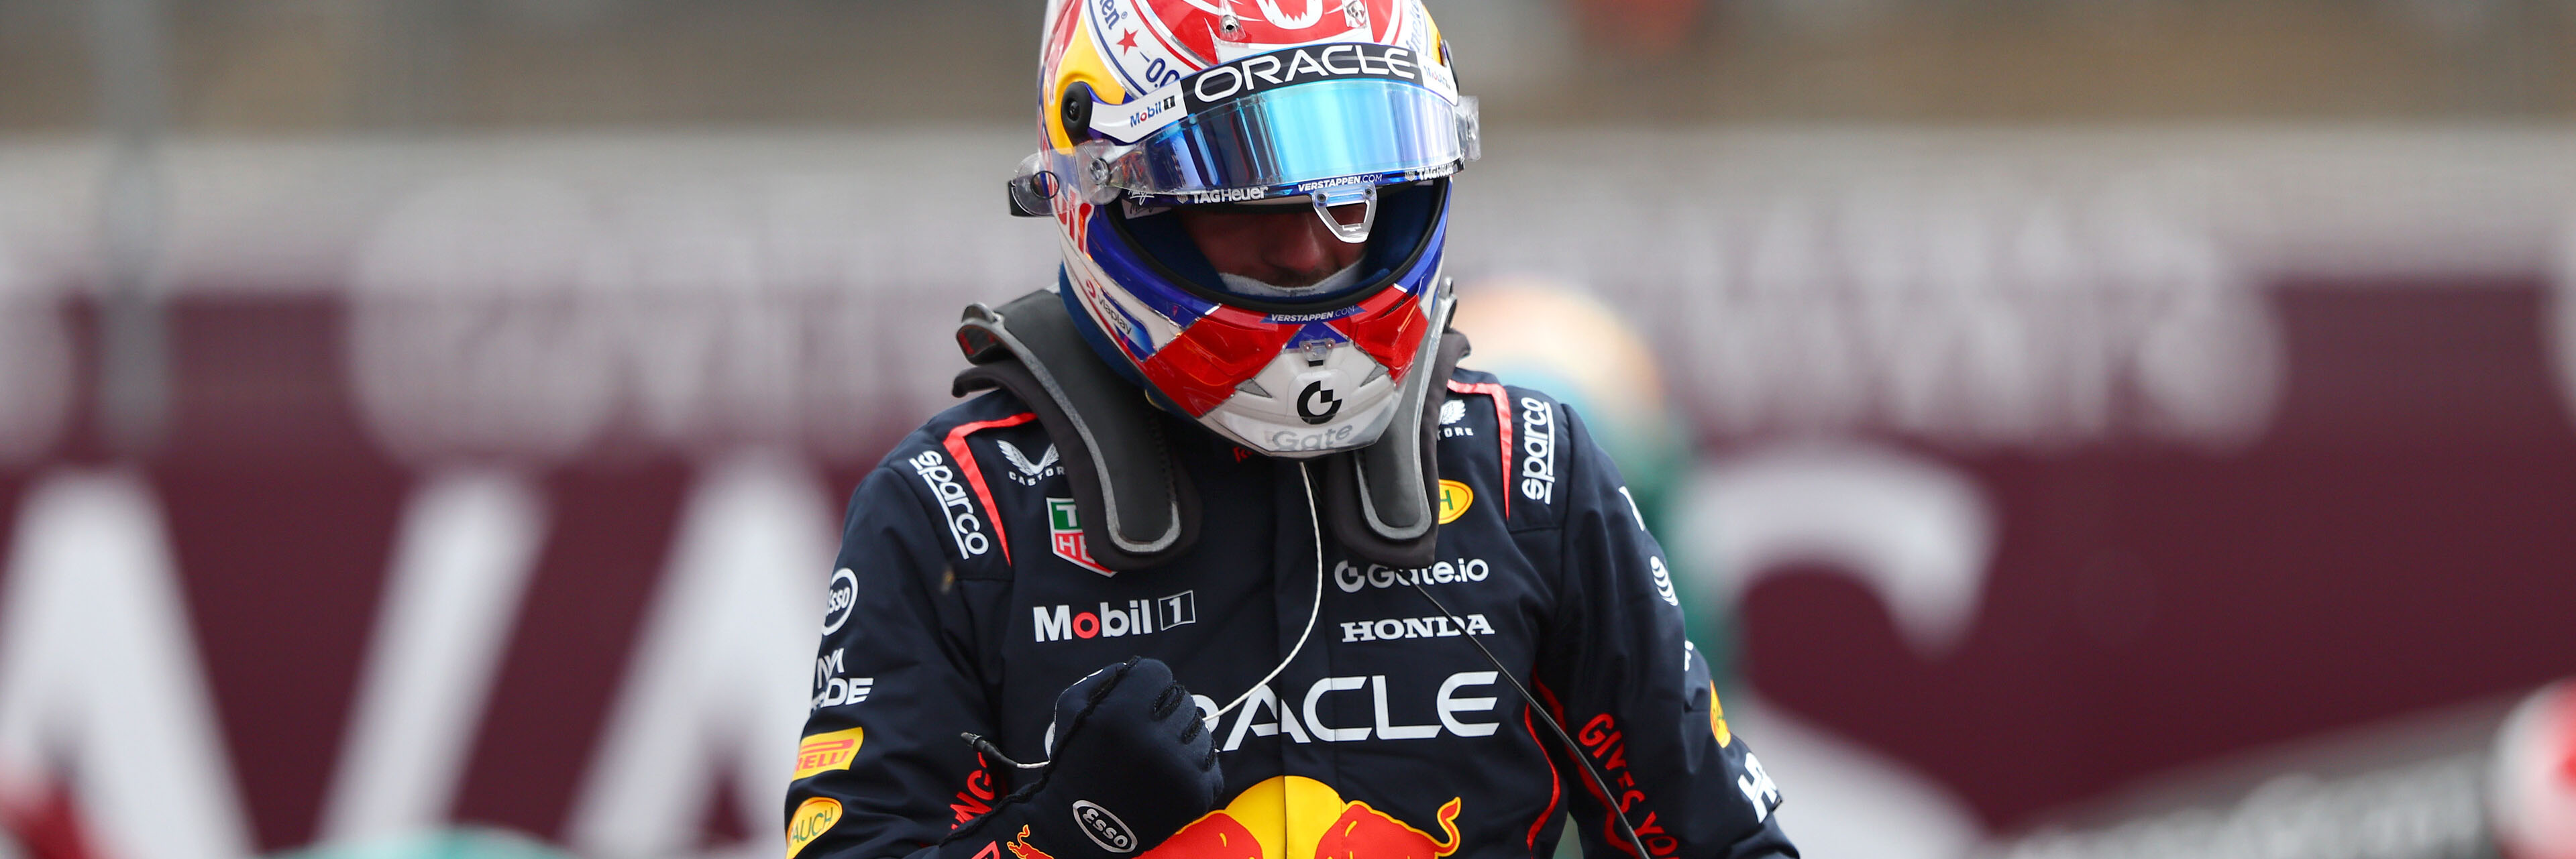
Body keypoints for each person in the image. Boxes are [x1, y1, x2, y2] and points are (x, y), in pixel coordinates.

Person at [784, 3, 1796, 859]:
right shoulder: (960, 511)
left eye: (1351, 190)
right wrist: (1067, 832)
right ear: (1107, 191)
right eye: (1244, 194)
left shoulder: (1527, 473)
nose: (1310, 247)